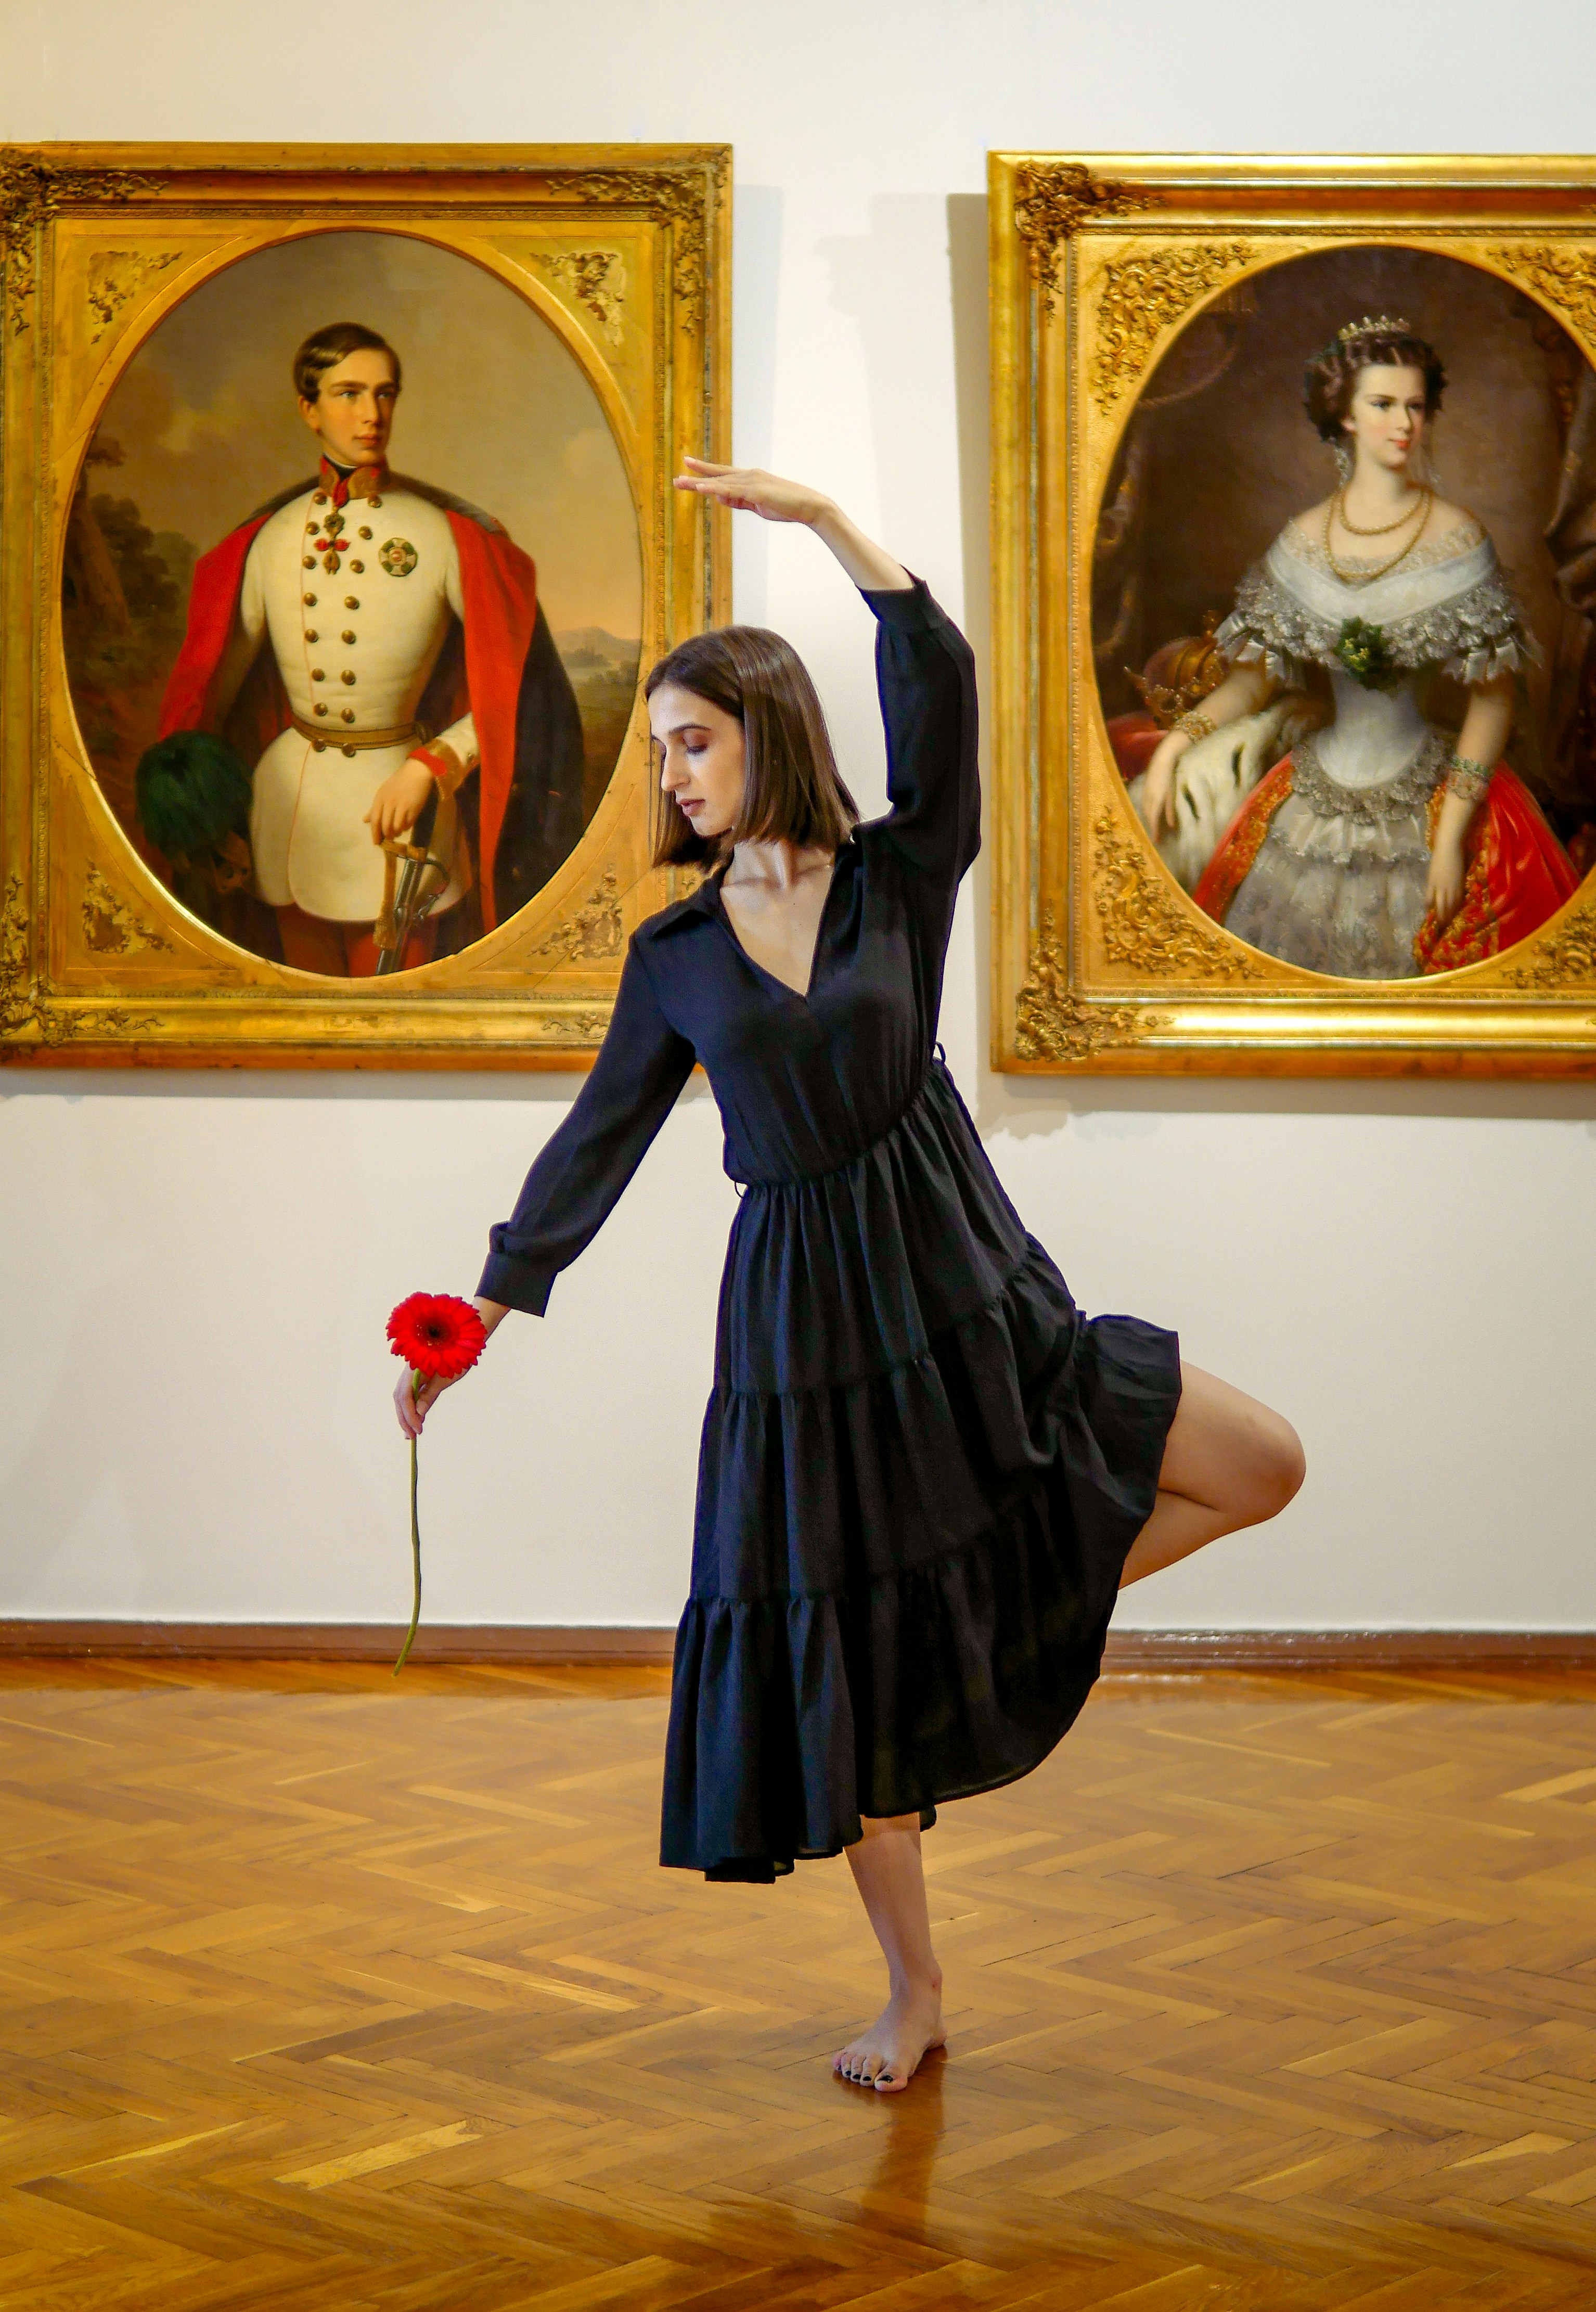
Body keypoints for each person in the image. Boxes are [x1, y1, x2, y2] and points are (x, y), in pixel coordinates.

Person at [397, 462, 1305, 2091]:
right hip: (801, 1322)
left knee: (1258, 1460)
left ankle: (1024, 1610)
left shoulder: (902, 873)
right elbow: (594, 1141)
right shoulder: (671, 955)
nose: (669, 773)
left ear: (765, 728)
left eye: (693, 738)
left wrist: (828, 528)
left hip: (959, 1280)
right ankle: (914, 1985)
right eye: (659, 746)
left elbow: (939, 692)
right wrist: (478, 1313)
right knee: (852, 1657)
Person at [1135, 316, 1578, 977]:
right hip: (1312, 792)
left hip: (1434, 792)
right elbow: (1252, 683)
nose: (1402, 423)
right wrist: (1177, 742)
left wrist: (1454, 831)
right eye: (1382, 404)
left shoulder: (1457, 538)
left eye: (1414, 406)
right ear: (1343, 414)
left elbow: (1492, 699)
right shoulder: (1301, 541)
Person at [148, 321, 585, 974]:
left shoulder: (440, 535)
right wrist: (208, 818)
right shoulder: (270, 540)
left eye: (384, 394)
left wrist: (432, 765)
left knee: (399, 1008)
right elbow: (214, 697)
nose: (371, 414)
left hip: (402, 818)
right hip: (287, 814)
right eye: (349, 393)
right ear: (309, 408)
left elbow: (515, 686)